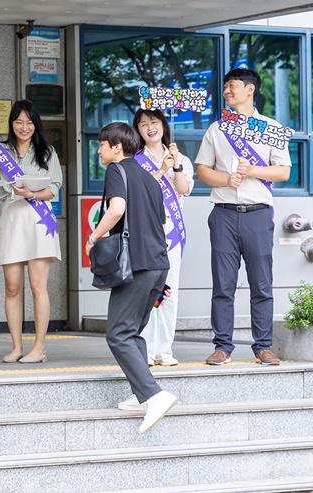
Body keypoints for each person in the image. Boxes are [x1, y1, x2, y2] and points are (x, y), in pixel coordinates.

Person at [196, 68, 292, 366]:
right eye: (225, 86)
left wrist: (253, 171)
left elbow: (284, 171)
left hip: (258, 214)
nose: (227, 90)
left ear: (250, 89)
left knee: (261, 283)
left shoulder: (270, 127)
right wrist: (226, 180)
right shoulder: (216, 129)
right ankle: (222, 346)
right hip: (223, 213)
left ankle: (263, 346)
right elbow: (202, 170)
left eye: (232, 85)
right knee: (222, 284)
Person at [85, 122, 176, 433]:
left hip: (136, 264)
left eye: (101, 145)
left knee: (118, 334)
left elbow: (117, 209)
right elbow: (159, 221)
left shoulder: (117, 170)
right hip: (158, 264)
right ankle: (142, 395)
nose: (98, 150)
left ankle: (154, 395)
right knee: (133, 331)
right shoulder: (151, 179)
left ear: (116, 147)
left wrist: (94, 236)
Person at [0, 100, 62, 364]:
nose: (24, 127)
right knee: (12, 287)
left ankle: (39, 348)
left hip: (40, 220)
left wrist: (32, 193)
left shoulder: (47, 152)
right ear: (11, 124)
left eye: (29, 122)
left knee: (38, 286)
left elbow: (55, 188)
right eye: (19, 122)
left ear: (36, 124)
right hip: (12, 219)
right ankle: (16, 346)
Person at [131, 109, 194, 367]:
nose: (149, 127)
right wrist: (161, 168)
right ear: (137, 129)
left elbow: (183, 189)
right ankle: (144, 349)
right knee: (147, 292)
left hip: (172, 235)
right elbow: (140, 194)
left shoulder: (181, 158)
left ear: (163, 125)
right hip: (146, 235)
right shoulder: (135, 161)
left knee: (169, 293)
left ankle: (164, 350)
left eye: (154, 122)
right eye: (143, 124)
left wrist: (175, 164)